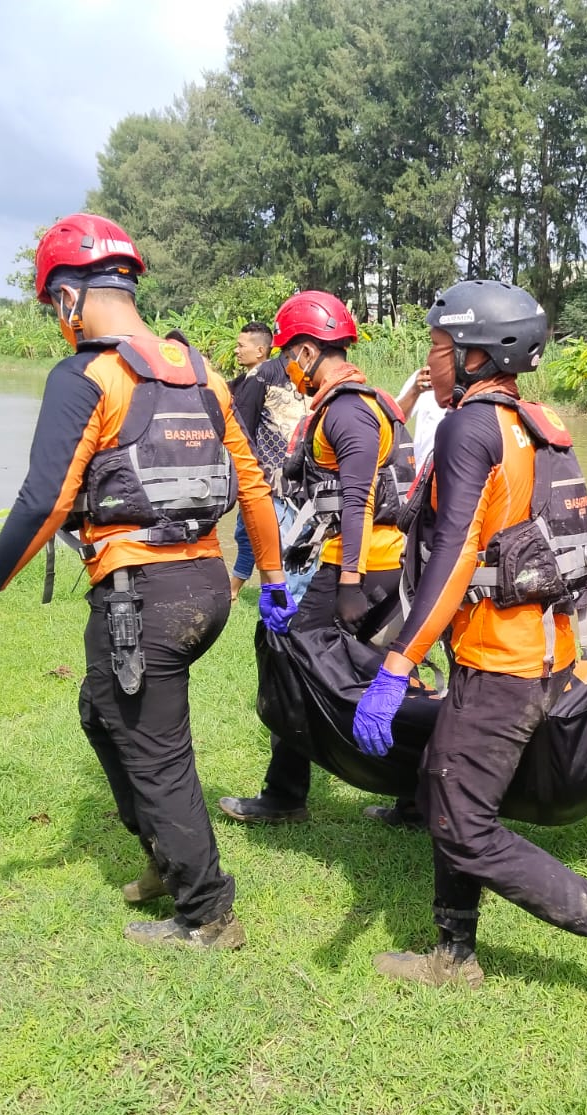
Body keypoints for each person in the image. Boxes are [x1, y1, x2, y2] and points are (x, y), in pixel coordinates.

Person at [0, 213, 295, 951]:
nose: (56, 323)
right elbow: (254, 483)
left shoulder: (86, 376)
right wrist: (270, 574)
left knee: (158, 753)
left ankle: (207, 912)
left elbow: (44, 500)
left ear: (71, 298)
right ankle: (167, 858)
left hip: (144, 601)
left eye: (53, 307)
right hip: (205, 588)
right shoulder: (198, 370)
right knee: (100, 711)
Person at [351, 279, 587, 1009]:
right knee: (447, 783)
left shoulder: (470, 427)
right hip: (537, 648)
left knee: (462, 824)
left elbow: (459, 552)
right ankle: (454, 951)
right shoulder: (531, 421)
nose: (428, 365)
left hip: (503, 661)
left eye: (436, 348)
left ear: (474, 351)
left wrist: (398, 659)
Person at [219, 291, 415, 828]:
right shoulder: (361, 398)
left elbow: (357, 500)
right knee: (369, 671)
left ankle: (285, 795)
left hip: (360, 565)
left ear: (305, 352)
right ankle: (416, 794)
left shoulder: (348, 409)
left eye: (288, 355)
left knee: (292, 658)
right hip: (378, 563)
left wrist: (349, 584)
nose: (287, 367)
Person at [227, 320, 305, 599]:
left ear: (261, 350)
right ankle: (238, 589)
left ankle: (284, 600)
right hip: (267, 475)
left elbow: (241, 428)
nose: (236, 351)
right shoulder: (262, 374)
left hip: (280, 478)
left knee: (278, 539)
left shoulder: (270, 374)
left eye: (240, 345)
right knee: (250, 535)